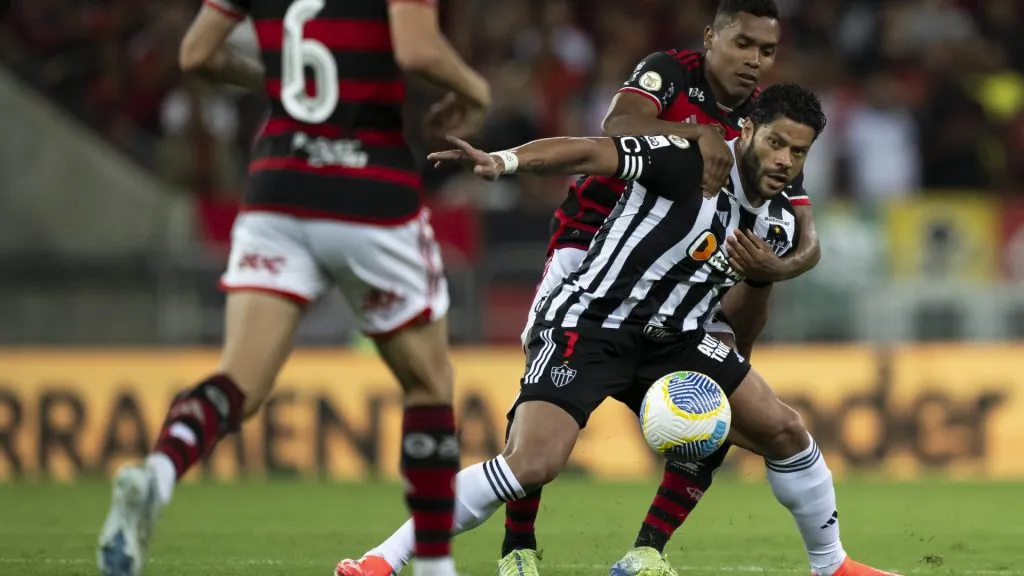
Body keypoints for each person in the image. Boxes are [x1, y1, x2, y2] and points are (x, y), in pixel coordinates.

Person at [338, 84, 898, 576]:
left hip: (676, 340)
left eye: (797, 152)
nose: (784, 159)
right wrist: (504, 162)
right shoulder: (685, 158)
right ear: (746, 130)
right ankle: (382, 560)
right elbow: (590, 150)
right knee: (532, 462)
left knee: (784, 430)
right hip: (593, 322)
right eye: (776, 142)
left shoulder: (774, 222)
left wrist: (760, 279)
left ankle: (833, 566)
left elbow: (739, 325)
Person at [96, 1, 490, 575]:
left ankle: (158, 471)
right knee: (429, 382)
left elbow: (197, 52)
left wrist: (283, 77)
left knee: (240, 381)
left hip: (279, 187)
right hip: (369, 187)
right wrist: (474, 88)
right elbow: (417, 49)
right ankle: (432, 564)